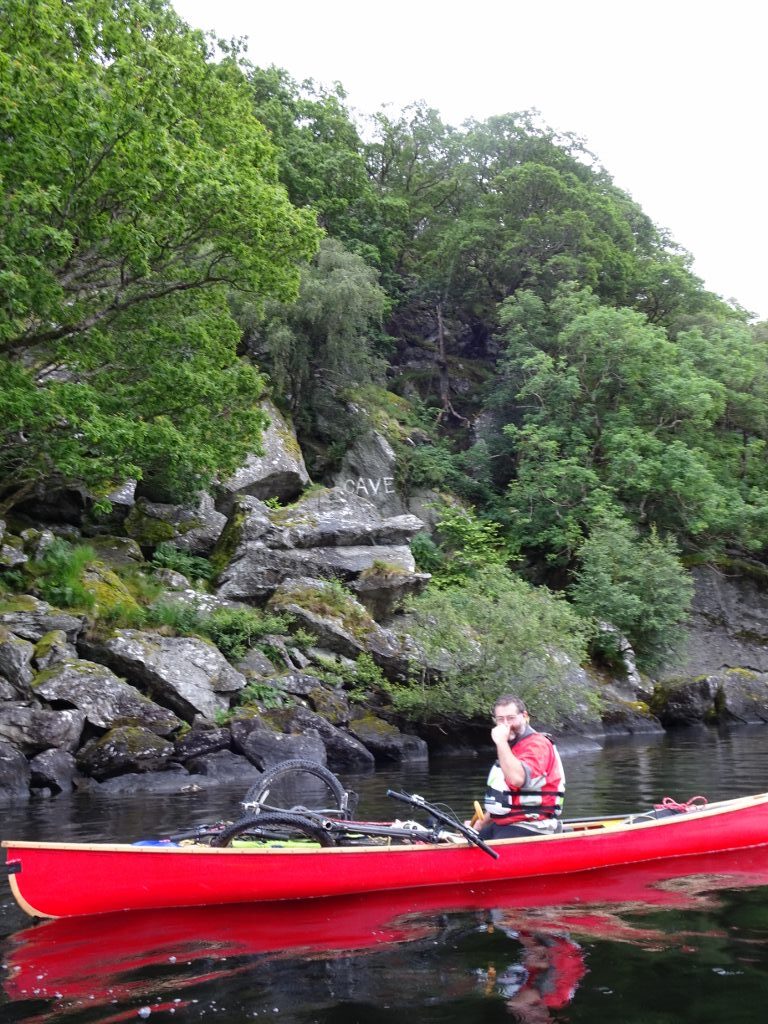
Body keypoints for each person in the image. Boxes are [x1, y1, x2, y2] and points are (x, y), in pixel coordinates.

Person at [474, 694, 565, 839]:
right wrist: (481, 824)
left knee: (486, 850)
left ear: (524, 716)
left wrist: (501, 742)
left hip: (533, 826)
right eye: (500, 719)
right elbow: (506, 797)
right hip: (506, 824)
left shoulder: (537, 745)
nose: (506, 725)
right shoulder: (510, 749)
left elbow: (517, 779)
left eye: (511, 718)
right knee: (468, 840)